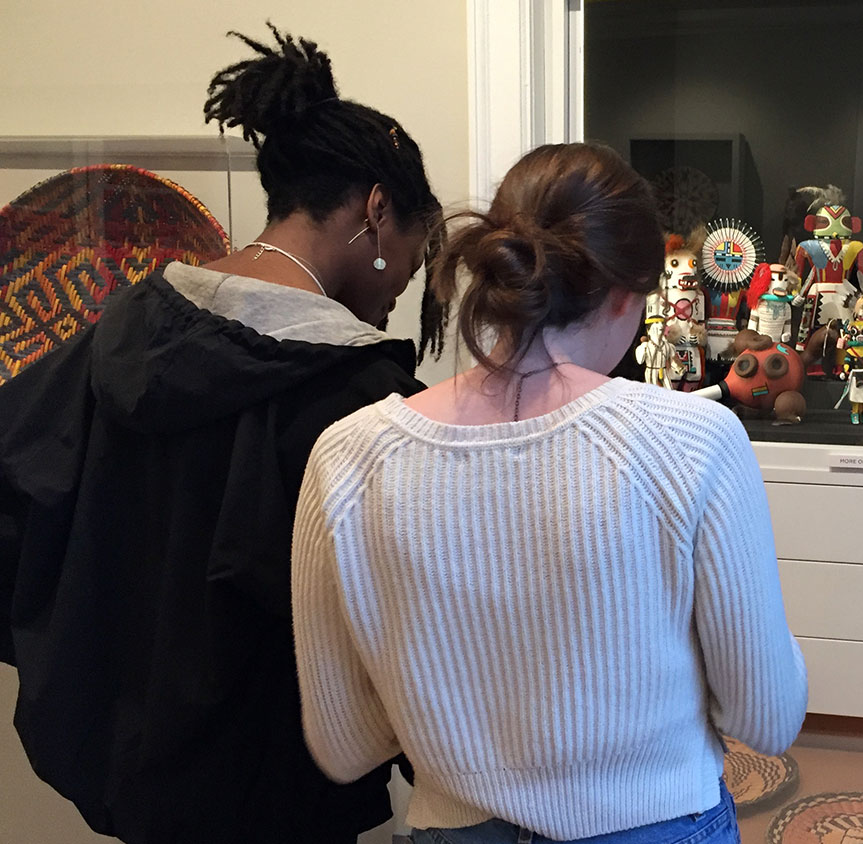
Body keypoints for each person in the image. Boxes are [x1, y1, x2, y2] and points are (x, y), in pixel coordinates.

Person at [0, 25, 444, 843]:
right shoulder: (355, 397)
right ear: (376, 211)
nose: (395, 296)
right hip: (275, 798)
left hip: (133, 788)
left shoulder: (117, 338)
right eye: (410, 264)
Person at [291, 142, 808, 844]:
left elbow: (344, 746)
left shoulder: (347, 457)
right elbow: (766, 719)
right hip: (658, 825)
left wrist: (455, 711)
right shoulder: (693, 440)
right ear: (629, 293)